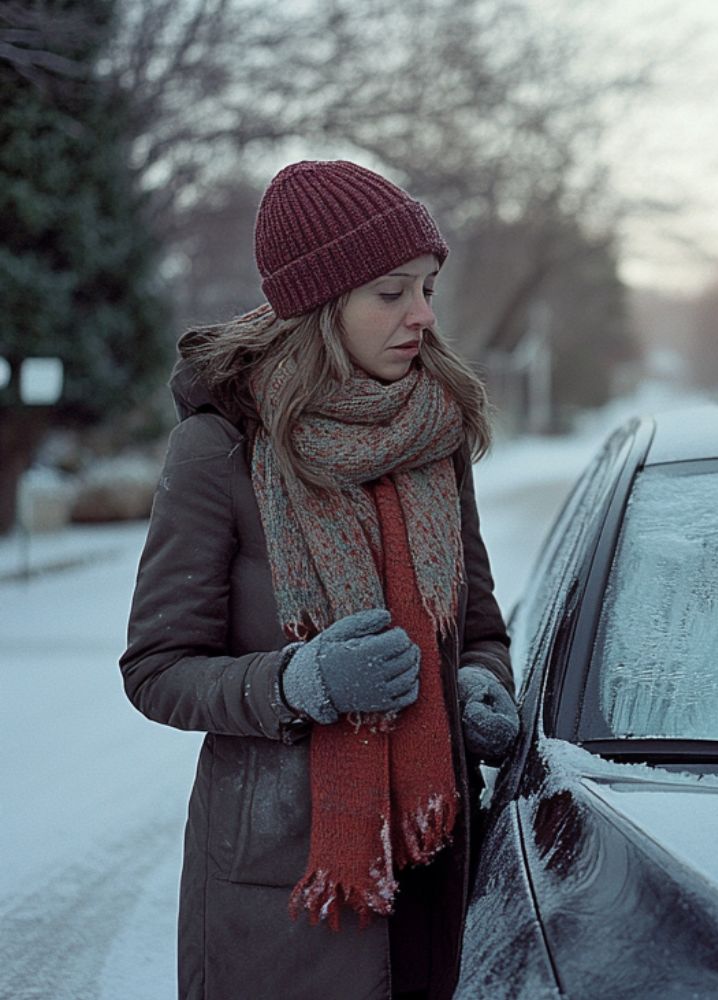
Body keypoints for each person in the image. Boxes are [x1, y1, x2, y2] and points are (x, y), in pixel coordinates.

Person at [120, 160, 520, 1000]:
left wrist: (481, 683)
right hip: (287, 890)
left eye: (427, 287)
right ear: (321, 305)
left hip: (433, 863)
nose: (422, 314)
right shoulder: (221, 450)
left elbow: (476, 627)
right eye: (391, 292)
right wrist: (297, 683)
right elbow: (156, 671)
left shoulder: (435, 432)